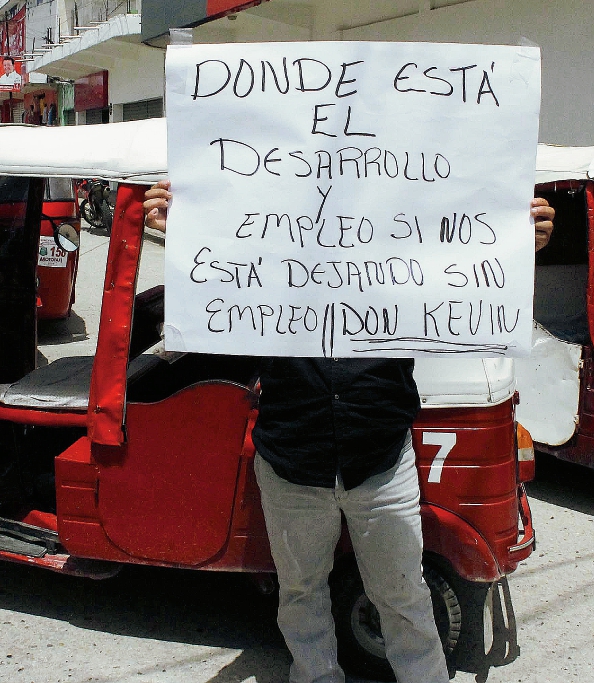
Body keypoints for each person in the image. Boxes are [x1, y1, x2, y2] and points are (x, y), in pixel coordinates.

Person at [142, 180, 554, 683]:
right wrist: (186, 236)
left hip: (380, 457)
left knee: (403, 596)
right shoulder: (270, 242)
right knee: (300, 593)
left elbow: (465, 272)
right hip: (292, 458)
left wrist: (511, 242)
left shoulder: (401, 237)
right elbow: (220, 294)